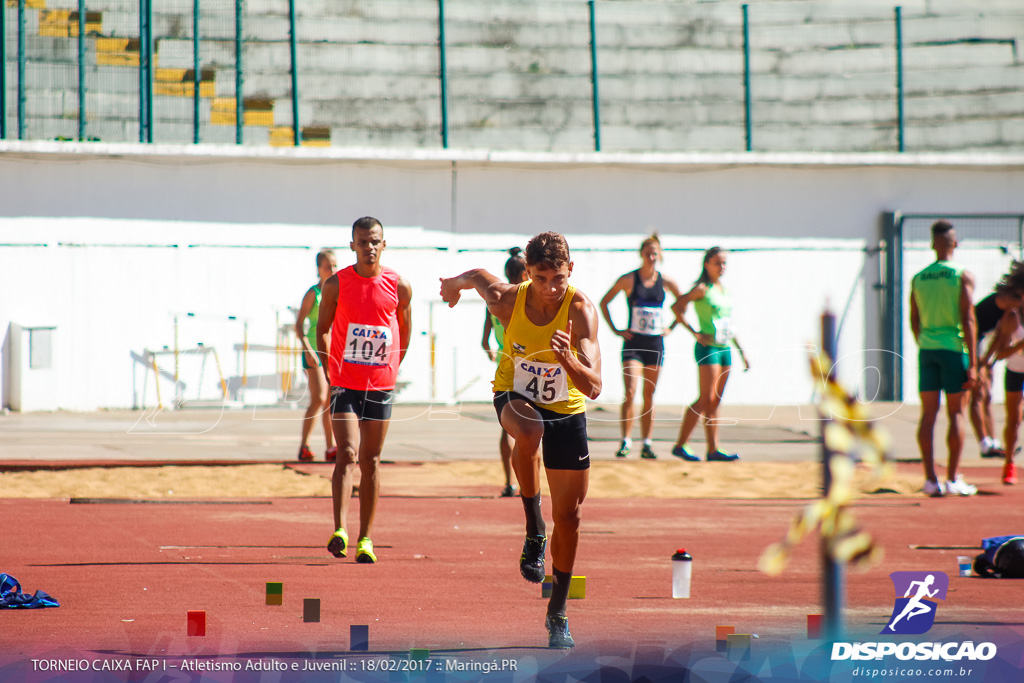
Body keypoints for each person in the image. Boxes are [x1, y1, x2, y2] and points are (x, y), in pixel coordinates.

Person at [440, 231, 602, 650]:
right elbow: (476, 275)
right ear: (527, 272)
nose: (551, 289)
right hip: (515, 396)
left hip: (566, 409)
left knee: (571, 517)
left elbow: (595, 386)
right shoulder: (508, 299)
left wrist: (567, 359)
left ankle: (558, 613)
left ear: (571, 272)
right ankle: (533, 527)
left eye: (559, 279)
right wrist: (451, 286)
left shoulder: (580, 310)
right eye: (542, 277)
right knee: (531, 430)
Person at [317, 217, 412, 563]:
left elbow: (405, 329)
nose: (369, 246)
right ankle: (340, 529)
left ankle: (366, 539)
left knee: (371, 460)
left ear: (383, 244)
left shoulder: (399, 285)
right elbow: (322, 330)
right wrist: (332, 370)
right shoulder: (336, 285)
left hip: (381, 384)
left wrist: (392, 367)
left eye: (375, 241)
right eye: (362, 241)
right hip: (345, 383)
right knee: (347, 454)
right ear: (352, 244)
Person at [909, 220, 978, 497]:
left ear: (932, 244)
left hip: (927, 350)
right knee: (957, 413)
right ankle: (952, 478)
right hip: (953, 349)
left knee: (927, 416)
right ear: (955, 243)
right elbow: (969, 318)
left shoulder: (918, 277)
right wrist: (973, 361)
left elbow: (913, 320)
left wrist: (925, 342)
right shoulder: (962, 275)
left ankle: (929, 479)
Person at [599, 233, 681, 460]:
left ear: (660, 255)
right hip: (633, 343)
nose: (652, 257)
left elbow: (683, 303)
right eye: (648, 254)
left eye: (655, 253)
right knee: (631, 391)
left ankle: (647, 442)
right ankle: (626, 440)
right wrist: (616, 329)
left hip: (655, 342)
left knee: (649, 394)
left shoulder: (666, 282)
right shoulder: (629, 279)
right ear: (641, 255)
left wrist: (672, 326)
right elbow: (604, 301)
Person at [669, 247, 750, 462]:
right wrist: (695, 332)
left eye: (724, 263)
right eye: (717, 263)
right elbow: (676, 307)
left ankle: (713, 449)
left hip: (725, 347)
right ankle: (680, 444)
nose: (721, 267)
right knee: (705, 398)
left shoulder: (723, 290)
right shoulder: (702, 289)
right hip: (708, 348)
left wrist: (742, 352)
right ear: (707, 264)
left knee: (716, 401)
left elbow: (728, 324)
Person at [481, 247, 529, 497]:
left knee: (507, 427)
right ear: (525, 273)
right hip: (528, 366)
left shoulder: (496, 299)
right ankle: (526, 484)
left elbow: (484, 340)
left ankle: (509, 482)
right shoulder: (527, 297)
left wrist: (492, 351)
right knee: (530, 427)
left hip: (505, 365)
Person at [970, 262, 1024, 465]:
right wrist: (982, 363)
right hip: (969, 341)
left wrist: (987, 362)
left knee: (987, 394)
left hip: (982, 340)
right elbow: (997, 338)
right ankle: (985, 443)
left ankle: (991, 441)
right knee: (978, 393)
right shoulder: (1008, 303)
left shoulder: (1012, 303)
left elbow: (997, 339)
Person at [295, 249, 339, 462]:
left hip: (332, 351)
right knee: (319, 397)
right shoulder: (314, 293)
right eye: (327, 266)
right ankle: (304, 444)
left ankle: (331, 447)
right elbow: (299, 325)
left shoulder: (338, 291)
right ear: (319, 269)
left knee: (331, 400)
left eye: (335, 265)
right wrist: (307, 348)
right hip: (314, 350)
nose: (332, 270)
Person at [988, 296, 1024, 486]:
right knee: (1014, 420)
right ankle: (1009, 462)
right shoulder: (1012, 317)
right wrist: (1019, 345)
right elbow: (1000, 354)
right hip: (1016, 372)